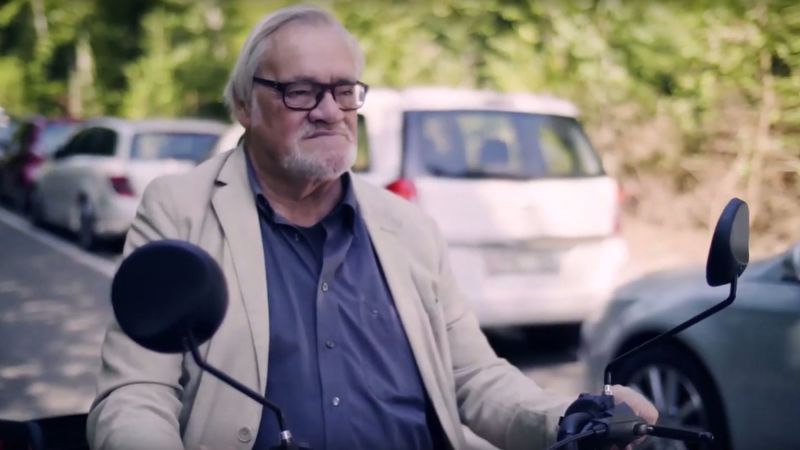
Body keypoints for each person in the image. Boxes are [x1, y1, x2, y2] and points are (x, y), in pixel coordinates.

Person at [87, 5, 656, 450]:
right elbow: (136, 392)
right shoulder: (180, 209)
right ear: (244, 104)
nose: (330, 111)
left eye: (344, 91)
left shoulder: (408, 226)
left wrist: (573, 419)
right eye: (301, 91)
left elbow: (473, 376)